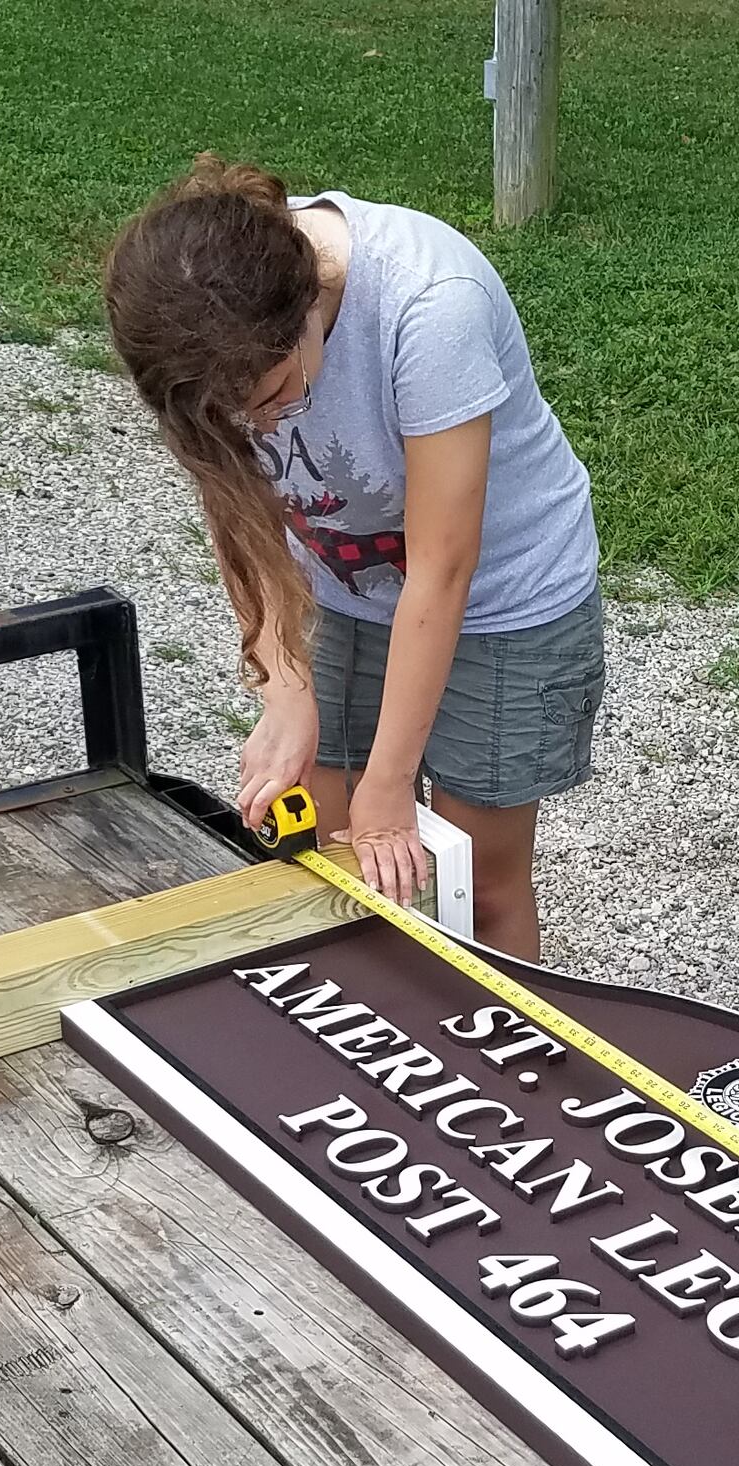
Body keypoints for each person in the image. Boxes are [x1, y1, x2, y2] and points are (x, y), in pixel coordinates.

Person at [102, 154, 604, 958]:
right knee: (339, 859)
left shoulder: (432, 307)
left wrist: (392, 780)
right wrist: (284, 686)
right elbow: (240, 509)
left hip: (504, 604)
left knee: (478, 884)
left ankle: (505, 1064)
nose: (262, 430)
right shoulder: (197, 313)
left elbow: (442, 567)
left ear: (305, 309)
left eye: (273, 400)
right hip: (341, 589)